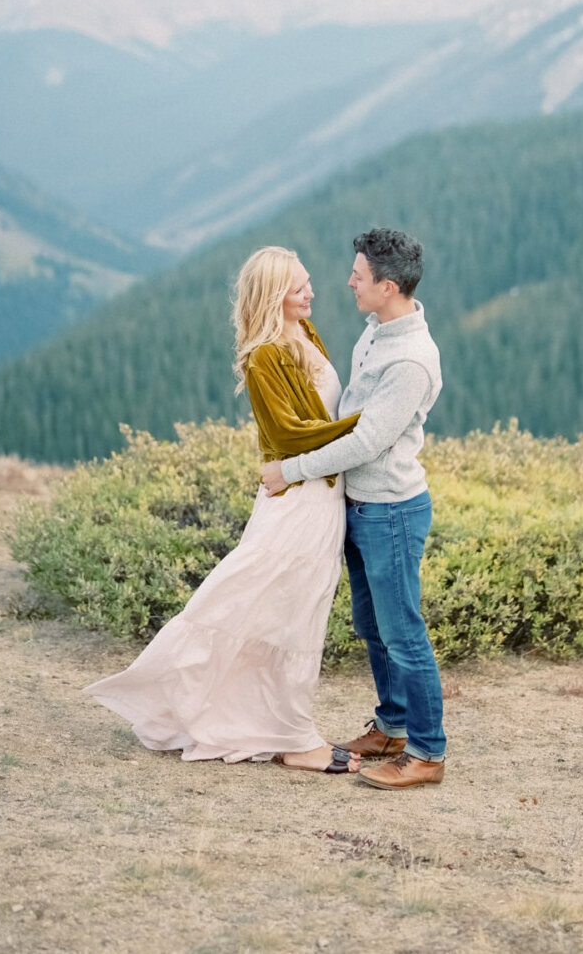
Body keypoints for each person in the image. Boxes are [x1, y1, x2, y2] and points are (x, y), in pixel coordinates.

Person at [84, 246, 362, 774]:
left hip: (321, 496)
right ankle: (295, 739)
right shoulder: (263, 356)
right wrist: (369, 427)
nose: (311, 293)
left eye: (308, 284)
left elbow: (321, 413)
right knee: (271, 610)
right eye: (300, 287)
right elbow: (288, 434)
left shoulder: (306, 334)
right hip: (296, 502)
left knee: (292, 615)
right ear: (275, 295)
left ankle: (283, 728)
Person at [261, 227, 446, 791]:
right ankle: (391, 726)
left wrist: (289, 470)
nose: (349, 282)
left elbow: (367, 442)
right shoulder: (376, 331)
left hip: (391, 510)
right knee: (372, 625)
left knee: (403, 632)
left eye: (359, 277)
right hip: (362, 508)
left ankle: (427, 752)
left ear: (388, 286)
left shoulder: (410, 360)